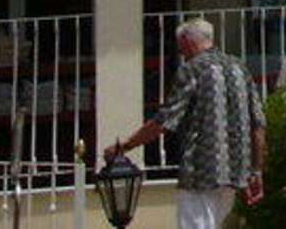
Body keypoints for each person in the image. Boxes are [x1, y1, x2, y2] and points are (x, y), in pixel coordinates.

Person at [105, 18, 266, 229]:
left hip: (200, 171)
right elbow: (258, 125)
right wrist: (256, 170)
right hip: (235, 173)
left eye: (181, 46)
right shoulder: (240, 68)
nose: (181, 52)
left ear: (188, 41)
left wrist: (125, 146)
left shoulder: (192, 69)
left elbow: (165, 120)